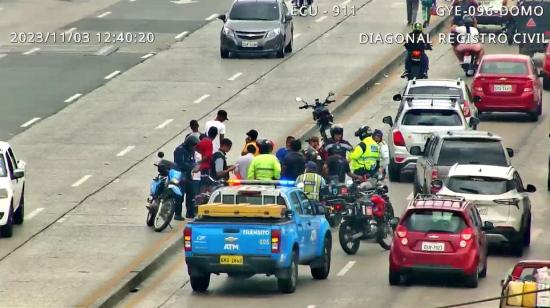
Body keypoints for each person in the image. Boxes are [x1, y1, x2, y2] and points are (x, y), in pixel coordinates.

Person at [173, 135, 199, 220]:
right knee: (180, 196)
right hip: (180, 176)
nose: (194, 148)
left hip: (188, 175)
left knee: (191, 195)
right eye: (193, 145)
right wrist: (192, 166)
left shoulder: (191, 150)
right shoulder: (179, 150)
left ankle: (190, 213)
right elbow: (180, 164)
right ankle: (177, 214)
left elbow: (192, 160)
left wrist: (195, 165)